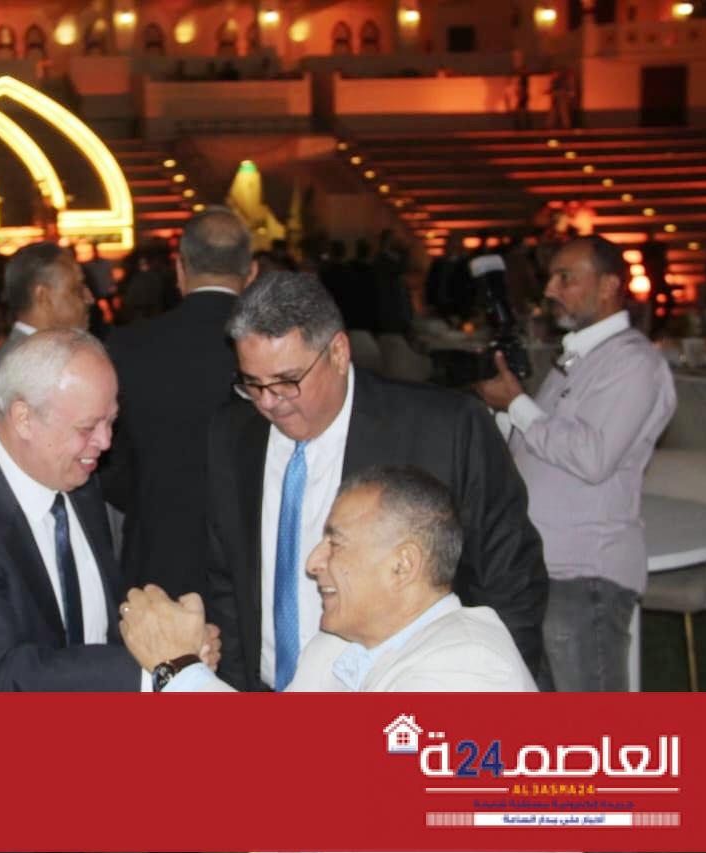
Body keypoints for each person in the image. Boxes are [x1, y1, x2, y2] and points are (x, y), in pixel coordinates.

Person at [206, 270, 546, 693]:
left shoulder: (444, 430)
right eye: (253, 384)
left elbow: (511, 576)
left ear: (338, 352)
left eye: (287, 382)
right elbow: (227, 577)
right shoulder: (232, 434)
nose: (269, 403)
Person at [0, 329, 219, 691]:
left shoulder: (73, 473)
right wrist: (164, 668)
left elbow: (97, 610)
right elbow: (8, 677)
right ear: (23, 418)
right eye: (87, 427)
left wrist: (173, 644)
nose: (105, 442)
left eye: (111, 421)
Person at [120, 466, 537, 692]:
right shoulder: (337, 647)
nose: (312, 563)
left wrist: (178, 667)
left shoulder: (471, 669)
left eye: (335, 544)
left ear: (402, 565)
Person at [476, 236, 676, 691]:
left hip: (586, 571)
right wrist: (503, 411)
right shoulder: (578, 357)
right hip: (543, 565)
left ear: (608, 285)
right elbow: (538, 443)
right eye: (551, 277)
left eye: (565, 277)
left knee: (593, 725)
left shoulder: (633, 362)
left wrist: (518, 404)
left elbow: (593, 456)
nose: (550, 289)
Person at [103, 206, 254, 598]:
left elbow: (108, 460)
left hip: (157, 555)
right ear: (251, 272)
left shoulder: (128, 346)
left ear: (180, 269)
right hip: (254, 561)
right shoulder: (275, 349)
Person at [0, 241, 90, 430]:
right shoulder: (24, 366)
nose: (89, 298)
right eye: (76, 289)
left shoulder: (38, 354)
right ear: (43, 296)